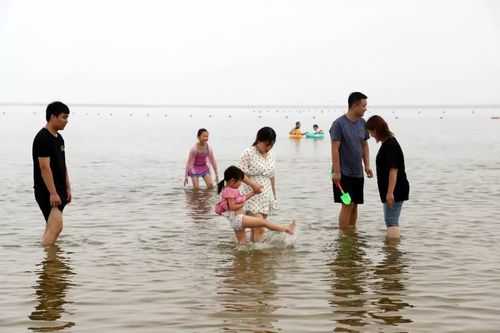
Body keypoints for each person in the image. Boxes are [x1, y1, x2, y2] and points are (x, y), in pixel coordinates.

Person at [215, 166, 295, 244]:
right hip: (238, 219)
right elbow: (232, 207)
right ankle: (286, 229)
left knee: (242, 244)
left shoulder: (227, 190)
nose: (240, 183)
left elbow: (242, 198)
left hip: (235, 221)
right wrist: (242, 205)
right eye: (240, 181)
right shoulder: (230, 191)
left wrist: (253, 193)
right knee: (263, 222)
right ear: (232, 180)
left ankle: (239, 257)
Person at [330, 92, 373, 229]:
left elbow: (364, 145)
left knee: (355, 205)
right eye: (363, 105)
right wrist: (337, 172)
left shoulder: (362, 123)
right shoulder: (339, 124)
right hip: (343, 175)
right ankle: (343, 237)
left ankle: (352, 235)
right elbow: (334, 149)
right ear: (354, 105)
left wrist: (367, 166)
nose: (366, 108)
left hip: (358, 173)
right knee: (347, 204)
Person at [32, 101, 72, 246]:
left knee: (52, 227)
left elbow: (62, 164)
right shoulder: (43, 138)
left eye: (67, 118)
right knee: (56, 226)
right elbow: (44, 168)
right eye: (64, 117)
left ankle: (49, 263)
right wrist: (53, 193)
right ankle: (49, 264)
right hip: (47, 190)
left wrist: (68, 187)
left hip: (59, 190)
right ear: (53, 116)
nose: (66, 121)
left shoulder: (59, 138)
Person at [366, 115, 409, 239]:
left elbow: (393, 170)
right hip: (392, 188)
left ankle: (392, 253)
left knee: (391, 221)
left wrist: (390, 193)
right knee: (390, 220)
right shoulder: (387, 143)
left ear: (376, 130)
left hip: (395, 189)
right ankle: (392, 253)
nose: (370, 135)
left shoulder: (390, 145)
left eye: (370, 132)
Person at [239, 127, 278, 242]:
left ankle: (254, 256)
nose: (268, 148)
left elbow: (272, 176)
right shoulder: (248, 153)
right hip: (252, 195)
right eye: (266, 144)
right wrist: (253, 185)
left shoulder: (270, 155)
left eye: (271, 145)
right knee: (260, 228)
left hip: (266, 195)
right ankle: (259, 256)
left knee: (256, 229)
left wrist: (274, 196)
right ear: (259, 140)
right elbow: (240, 174)